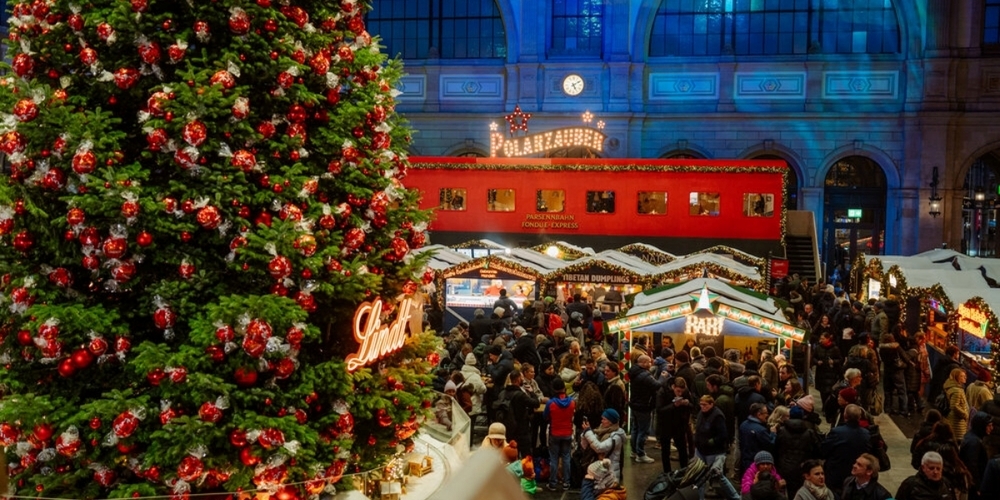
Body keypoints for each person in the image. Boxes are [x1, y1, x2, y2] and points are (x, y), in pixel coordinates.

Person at [821, 404, 871, 490]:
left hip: (835, 474)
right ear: (859, 417)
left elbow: (823, 451)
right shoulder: (866, 434)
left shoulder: (837, 432)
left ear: (845, 416)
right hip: (856, 474)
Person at [775, 406, 822, 496]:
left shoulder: (781, 431)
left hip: (784, 468)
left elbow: (776, 449)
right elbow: (818, 451)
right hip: (803, 469)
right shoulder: (809, 433)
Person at [628, 354, 665, 463]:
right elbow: (657, 385)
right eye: (649, 362)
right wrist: (663, 377)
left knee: (635, 429)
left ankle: (634, 451)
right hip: (644, 406)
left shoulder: (634, 372)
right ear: (643, 363)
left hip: (635, 404)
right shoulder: (644, 375)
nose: (651, 363)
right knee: (643, 431)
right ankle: (640, 454)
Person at [497, 368, 540, 457]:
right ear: (518, 379)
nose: (523, 380)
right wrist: (532, 392)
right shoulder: (520, 395)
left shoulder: (503, 393)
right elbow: (536, 403)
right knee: (526, 455)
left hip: (508, 428)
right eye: (522, 378)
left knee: (510, 455)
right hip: (522, 429)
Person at [656, 376, 694, 472]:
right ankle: (667, 472)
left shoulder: (685, 391)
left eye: (682, 391)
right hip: (665, 424)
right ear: (673, 386)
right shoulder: (662, 391)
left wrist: (687, 403)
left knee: (682, 449)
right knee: (665, 451)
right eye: (678, 391)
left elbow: (693, 405)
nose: (680, 393)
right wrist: (673, 405)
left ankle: (684, 470)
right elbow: (659, 410)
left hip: (679, 424)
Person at [544, 378, 575, 492]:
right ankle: (566, 482)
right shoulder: (572, 402)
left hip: (555, 433)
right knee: (566, 457)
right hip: (567, 433)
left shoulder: (550, 403)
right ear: (564, 388)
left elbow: (545, 416)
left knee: (554, 458)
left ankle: (552, 483)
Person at [580, 409, 627, 482]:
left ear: (610, 422)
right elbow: (586, 446)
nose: (601, 421)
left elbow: (599, 447)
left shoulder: (616, 436)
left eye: (604, 419)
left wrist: (588, 432)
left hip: (610, 474)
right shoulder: (600, 431)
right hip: (599, 471)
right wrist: (585, 434)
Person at [960, 412, 994, 500]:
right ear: (981, 426)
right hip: (973, 485)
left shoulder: (972, 437)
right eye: (989, 426)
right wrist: (978, 487)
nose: (991, 428)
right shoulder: (974, 442)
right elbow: (972, 466)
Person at [739, 403, 776, 477]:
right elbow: (770, 445)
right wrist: (773, 434)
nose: (767, 415)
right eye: (766, 413)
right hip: (757, 463)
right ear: (759, 414)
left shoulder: (743, 424)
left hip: (745, 459)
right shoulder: (761, 430)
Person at [944, 368, 970, 440]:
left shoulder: (953, 387)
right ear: (956, 377)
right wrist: (965, 414)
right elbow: (954, 406)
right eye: (962, 376)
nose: (965, 378)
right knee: (958, 439)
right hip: (957, 422)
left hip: (954, 419)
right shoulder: (957, 391)